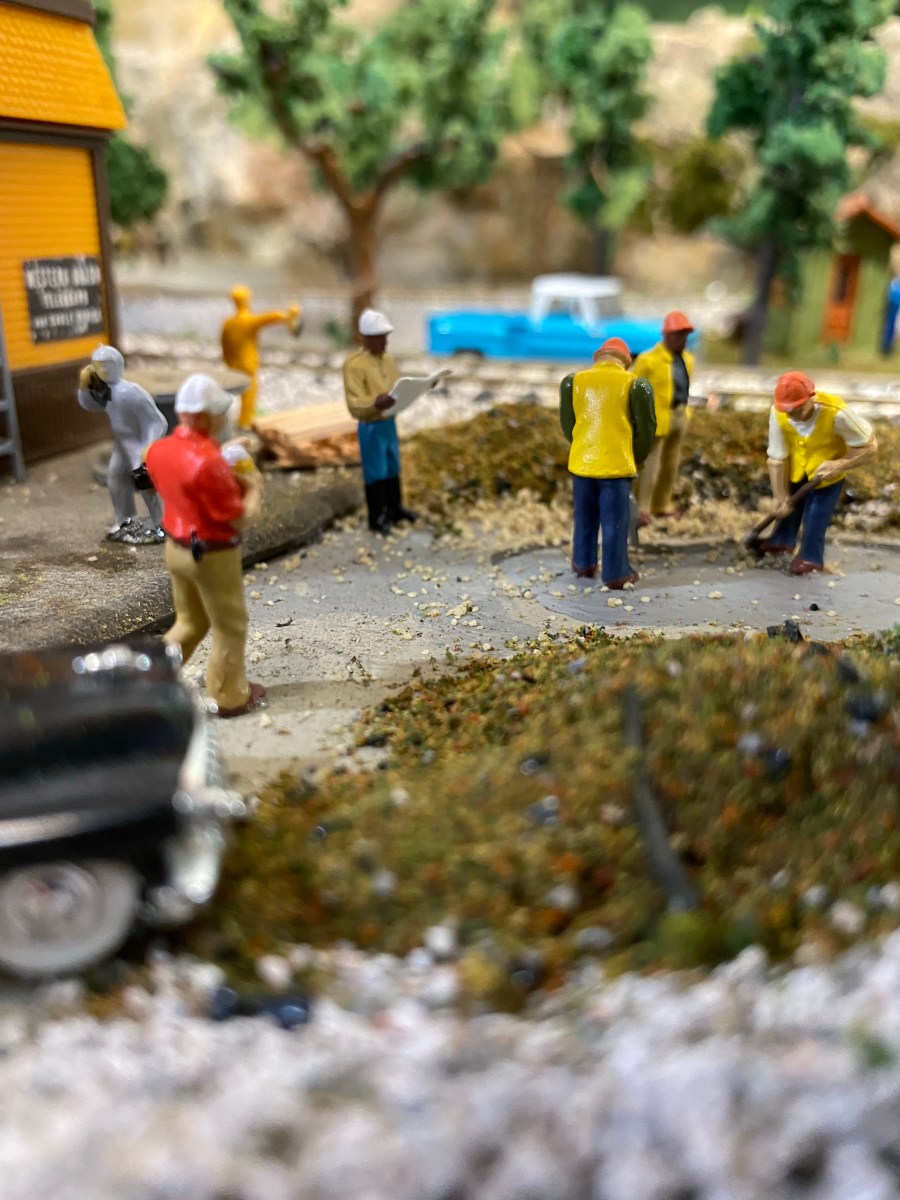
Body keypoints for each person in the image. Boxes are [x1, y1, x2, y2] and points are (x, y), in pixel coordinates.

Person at [145, 374, 266, 718]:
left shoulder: (159, 450)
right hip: (211, 554)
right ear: (206, 416)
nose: (225, 418)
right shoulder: (208, 464)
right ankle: (229, 696)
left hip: (176, 547)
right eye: (220, 412)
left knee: (189, 621)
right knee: (230, 625)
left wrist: (222, 453)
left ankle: (153, 681)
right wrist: (252, 483)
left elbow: (189, 471)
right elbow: (238, 517)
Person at [559, 337, 656, 588]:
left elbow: (569, 426)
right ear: (626, 361)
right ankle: (615, 572)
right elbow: (646, 430)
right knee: (614, 523)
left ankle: (583, 563)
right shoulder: (636, 385)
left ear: (599, 357)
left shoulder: (573, 382)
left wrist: (585, 448)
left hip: (582, 463)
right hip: (616, 466)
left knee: (584, 518)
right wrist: (637, 456)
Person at [760, 371, 878, 575]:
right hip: (795, 470)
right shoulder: (778, 413)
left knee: (815, 515)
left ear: (811, 398)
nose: (791, 415)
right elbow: (777, 457)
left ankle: (811, 557)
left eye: (797, 408)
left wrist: (838, 466)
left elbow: (869, 448)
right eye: (787, 410)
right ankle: (781, 540)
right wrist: (780, 496)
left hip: (826, 478)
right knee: (788, 506)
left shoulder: (837, 413)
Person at [77, 344, 168, 545]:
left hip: (138, 445)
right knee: (116, 479)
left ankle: (161, 523)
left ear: (116, 366)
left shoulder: (131, 392)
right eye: (96, 365)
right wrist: (84, 387)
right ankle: (126, 518)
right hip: (122, 445)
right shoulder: (104, 390)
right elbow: (89, 405)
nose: (99, 369)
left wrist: (149, 447)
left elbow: (157, 421)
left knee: (145, 484)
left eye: (103, 365)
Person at [343, 307, 416, 535]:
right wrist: (375, 404)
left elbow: (398, 386)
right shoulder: (354, 365)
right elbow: (354, 403)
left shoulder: (388, 360)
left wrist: (415, 389)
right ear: (367, 338)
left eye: (386, 337)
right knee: (376, 471)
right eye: (379, 338)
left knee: (393, 465)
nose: (385, 342)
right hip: (372, 426)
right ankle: (377, 516)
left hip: (388, 422)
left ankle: (395, 508)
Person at [632, 310, 696, 525]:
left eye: (685, 335)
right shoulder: (648, 360)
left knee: (671, 464)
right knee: (651, 466)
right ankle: (643, 508)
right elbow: (633, 388)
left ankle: (661, 504)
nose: (683, 340)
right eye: (679, 335)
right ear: (667, 335)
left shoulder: (687, 360)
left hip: (678, 414)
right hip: (656, 419)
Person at [221, 285, 302, 429]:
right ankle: (245, 421)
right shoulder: (247, 321)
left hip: (235, 363)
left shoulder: (228, 323)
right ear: (246, 300)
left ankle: (241, 419)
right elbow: (267, 318)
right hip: (248, 363)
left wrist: (228, 361)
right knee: (249, 392)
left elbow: (224, 345)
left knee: (241, 391)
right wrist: (286, 316)